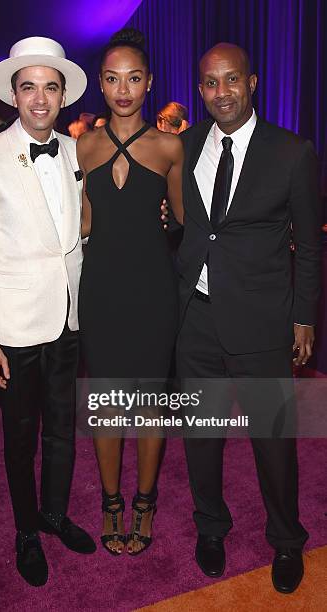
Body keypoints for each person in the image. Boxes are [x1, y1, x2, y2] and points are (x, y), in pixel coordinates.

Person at [176, 43, 321, 594]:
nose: (222, 93)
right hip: (197, 319)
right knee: (202, 436)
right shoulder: (185, 147)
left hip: (263, 321)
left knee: (273, 438)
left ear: (253, 82)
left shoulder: (291, 152)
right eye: (210, 83)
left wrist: (304, 318)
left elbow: (308, 246)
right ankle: (210, 526)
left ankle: (286, 539)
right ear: (200, 90)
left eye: (231, 80)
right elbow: (189, 225)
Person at [0, 36, 95, 588]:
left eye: (50, 86)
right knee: (21, 435)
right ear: (13, 94)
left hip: (67, 316)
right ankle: (26, 532)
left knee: (62, 425)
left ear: (62, 94)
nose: (40, 99)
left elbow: (78, 227)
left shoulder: (71, 149)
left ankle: (56, 513)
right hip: (13, 325)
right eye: (28, 87)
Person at [77, 28, 184, 556]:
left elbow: (185, 220)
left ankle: (145, 499)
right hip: (100, 291)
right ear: (101, 83)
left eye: (134, 78)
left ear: (149, 84)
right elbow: (84, 223)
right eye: (114, 78)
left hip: (152, 291)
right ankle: (110, 501)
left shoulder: (170, 145)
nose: (124, 88)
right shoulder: (84, 145)